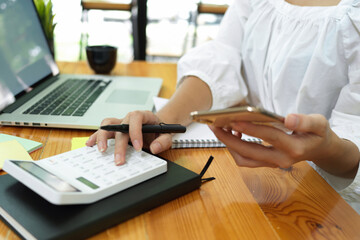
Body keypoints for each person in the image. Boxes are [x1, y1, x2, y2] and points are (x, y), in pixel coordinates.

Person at [87, 0, 360, 212]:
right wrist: (163, 120)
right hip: (249, 185)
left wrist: (328, 150)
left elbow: (353, 134)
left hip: (326, 205)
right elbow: (224, 57)